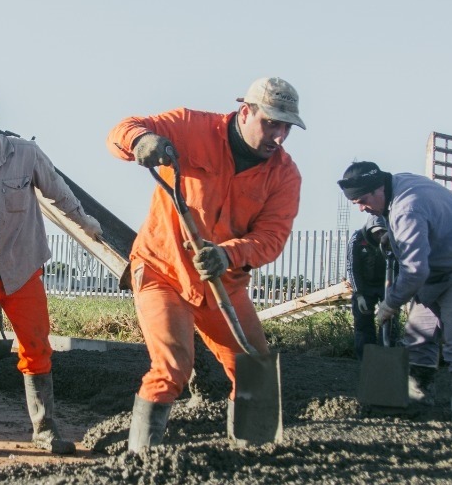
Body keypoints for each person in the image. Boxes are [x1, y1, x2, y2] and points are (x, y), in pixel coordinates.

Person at [107, 77, 305, 452]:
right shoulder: (191, 127)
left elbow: (272, 237)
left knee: (256, 370)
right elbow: (121, 130)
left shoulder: (283, 175)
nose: (278, 136)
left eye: (286, 127)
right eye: (271, 123)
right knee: (171, 369)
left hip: (222, 281)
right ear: (246, 112)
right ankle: (140, 462)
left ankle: (256, 458)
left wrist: (229, 253)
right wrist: (140, 141)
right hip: (162, 270)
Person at [0, 89, 103, 455]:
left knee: (37, 347)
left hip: (23, 271)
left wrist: (85, 221)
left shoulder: (26, 154)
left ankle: (44, 430)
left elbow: (59, 192)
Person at [338, 160, 452, 423]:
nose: (360, 207)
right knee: (418, 338)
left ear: (379, 188)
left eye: (362, 199)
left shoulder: (407, 208)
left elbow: (414, 271)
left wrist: (390, 304)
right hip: (437, 271)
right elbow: (395, 222)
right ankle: (418, 407)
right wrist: (389, 233)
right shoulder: (396, 185)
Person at [348, 220, 393, 358]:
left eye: (382, 232)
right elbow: (352, 268)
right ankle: (365, 359)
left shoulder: (395, 238)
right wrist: (359, 294)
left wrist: (394, 295)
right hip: (364, 286)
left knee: (389, 321)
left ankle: (387, 356)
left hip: (386, 284)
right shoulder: (356, 239)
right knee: (363, 322)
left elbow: (399, 266)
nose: (380, 235)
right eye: (376, 232)